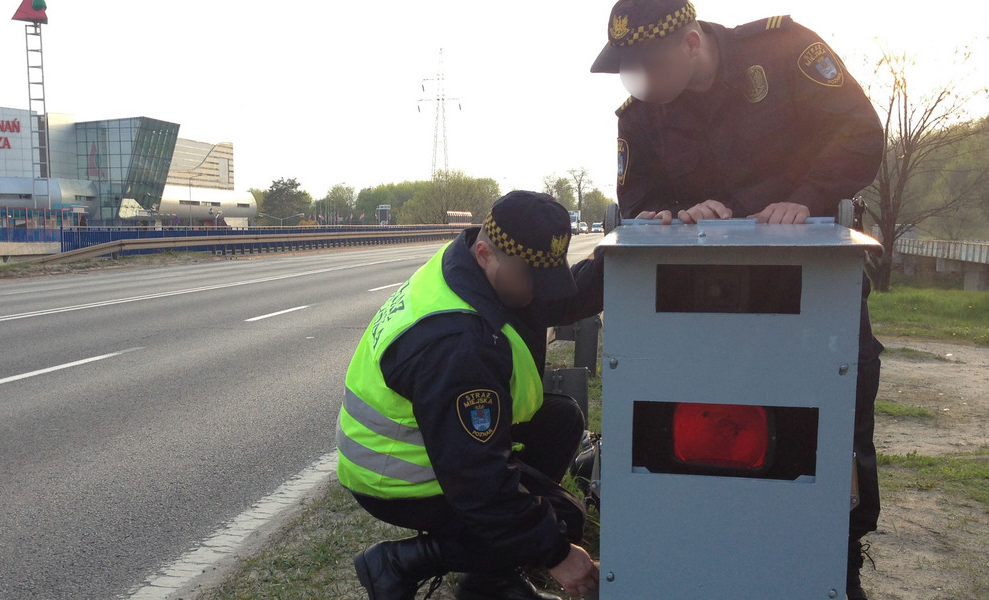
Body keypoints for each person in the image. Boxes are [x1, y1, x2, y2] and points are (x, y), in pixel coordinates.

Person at [590, 1, 884, 597]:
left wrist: (807, 196)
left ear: (692, 42)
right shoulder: (641, 115)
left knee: (834, 409)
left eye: (649, 64)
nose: (639, 81)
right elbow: (639, 204)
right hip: (703, 300)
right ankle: (685, 549)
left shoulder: (782, 52)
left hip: (807, 288)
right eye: (629, 69)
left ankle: (839, 558)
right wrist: (673, 215)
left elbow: (859, 132)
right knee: (693, 425)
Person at [337, 191, 603, 600]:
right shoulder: (459, 344)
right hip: (395, 473)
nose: (539, 293)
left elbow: (560, 296)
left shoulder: (474, 265)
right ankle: (397, 563)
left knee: (560, 420)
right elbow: (477, 481)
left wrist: (636, 247)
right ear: (485, 253)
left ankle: (489, 578)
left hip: (426, 439)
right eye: (532, 278)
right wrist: (557, 553)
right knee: (560, 520)